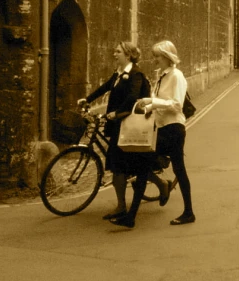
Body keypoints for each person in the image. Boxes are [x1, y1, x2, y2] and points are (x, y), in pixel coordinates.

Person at [78, 41, 167, 223]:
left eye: (118, 51)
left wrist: (117, 113)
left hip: (131, 126)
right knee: (118, 165)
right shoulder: (119, 74)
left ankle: (160, 185)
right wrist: (86, 100)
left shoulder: (136, 74)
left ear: (128, 55)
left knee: (131, 164)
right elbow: (105, 87)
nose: (114, 54)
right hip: (118, 124)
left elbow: (133, 97)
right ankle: (121, 205)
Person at [117, 40, 195, 228]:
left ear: (168, 57)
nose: (154, 60)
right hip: (163, 127)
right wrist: (149, 106)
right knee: (159, 167)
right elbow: (162, 102)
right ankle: (132, 216)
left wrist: (150, 101)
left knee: (171, 168)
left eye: (157, 56)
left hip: (174, 128)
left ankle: (186, 211)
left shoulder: (176, 76)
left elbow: (176, 104)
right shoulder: (162, 75)